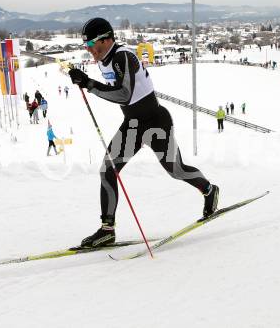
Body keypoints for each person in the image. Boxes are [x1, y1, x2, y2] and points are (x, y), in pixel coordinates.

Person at [68, 17, 219, 248]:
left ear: (106, 39)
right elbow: (114, 89)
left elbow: (125, 94)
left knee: (176, 170)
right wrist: (83, 79)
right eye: (86, 46)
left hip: (155, 122)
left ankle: (209, 190)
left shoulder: (122, 56)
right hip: (133, 125)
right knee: (107, 170)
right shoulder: (104, 59)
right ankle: (107, 230)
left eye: (91, 45)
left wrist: (90, 84)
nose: (90, 51)